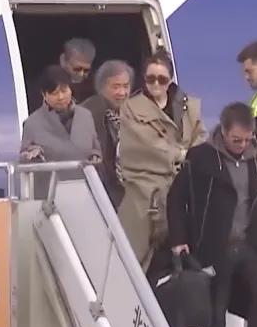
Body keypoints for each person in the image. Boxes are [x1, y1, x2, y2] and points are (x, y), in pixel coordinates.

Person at [166, 102, 257, 327]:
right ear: (223, 132)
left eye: (246, 140)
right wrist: (179, 239)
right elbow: (176, 198)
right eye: (236, 140)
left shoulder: (255, 158)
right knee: (216, 314)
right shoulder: (201, 158)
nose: (241, 146)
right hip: (214, 247)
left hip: (249, 243)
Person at [118, 50, 206, 270]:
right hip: (145, 194)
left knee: (186, 258)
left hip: (184, 190)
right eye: (150, 79)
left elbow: (200, 138)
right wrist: (182, 154)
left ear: (170, 79)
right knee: (134, 260)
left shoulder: (189, 106)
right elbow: (145, 145)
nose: (156, 84)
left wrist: (192, 158)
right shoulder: (131, 108)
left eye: (162, 79)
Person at [20, 65, 101, 198]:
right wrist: (32, 155)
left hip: (85, 193)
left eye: (64, 91)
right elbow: (24, 163)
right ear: (44, 94)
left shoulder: (86, 116)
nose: (60, 97)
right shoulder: (32, 123)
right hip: (50, 196)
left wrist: (95, 156)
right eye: (54, 93)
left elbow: (95, 148)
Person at [81, 60, 134, 209]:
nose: (122, 93)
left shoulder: (134, 112)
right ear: (102, 87)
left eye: (126, 86)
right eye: (116, 87)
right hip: (100, 194)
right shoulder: (86, 114)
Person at [27, 38, 97, 112]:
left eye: (86, 70)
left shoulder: (93, 84)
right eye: (77, 69)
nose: (81, 74)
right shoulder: (48, 81)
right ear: (63, 60)